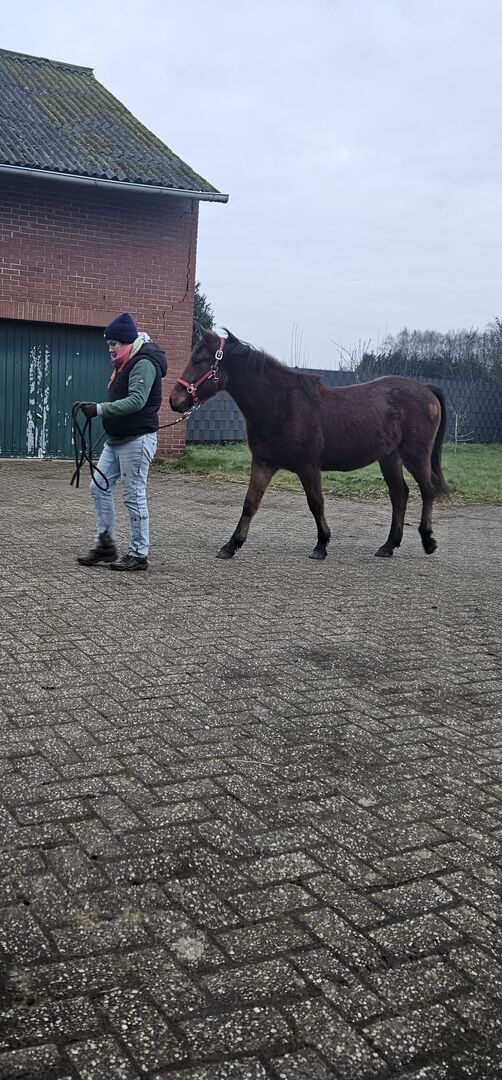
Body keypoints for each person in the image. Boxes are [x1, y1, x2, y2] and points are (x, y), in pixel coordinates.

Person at [76, 312, 167, 572]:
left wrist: (99, 409)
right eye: (109, 344)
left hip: (137, 440)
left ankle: (139, 554)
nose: (110, 348)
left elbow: (137, 401)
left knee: (133, 495)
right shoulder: (125, 362)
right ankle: (105, 545)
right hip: (116, 440)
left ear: (126, 342)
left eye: (113, 343)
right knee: (99, 488)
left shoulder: (144, 363)